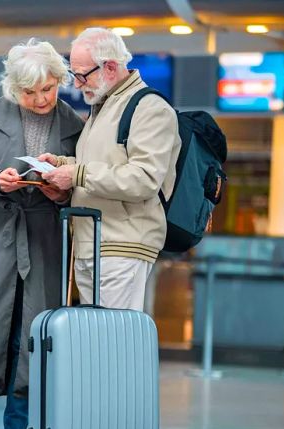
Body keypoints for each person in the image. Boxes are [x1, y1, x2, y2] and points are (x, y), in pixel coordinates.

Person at [0, 38, 83, 429]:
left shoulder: (72, 123)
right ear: (14, 89)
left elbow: (79, 189)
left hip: (44, 241)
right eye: (30, 93)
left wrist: (57, 190)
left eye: (48, 89)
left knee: (32, 341)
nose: (41, 99)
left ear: (59, 81)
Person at [41, 27, 180, 312]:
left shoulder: (149, 108)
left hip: (123, 246)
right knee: (99, 345)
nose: (77, 85)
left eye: (82, 75)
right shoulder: (103, 107)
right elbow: (104, 165)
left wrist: (76, 174)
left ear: (111, 67)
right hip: (91, 244)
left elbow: (143, 179)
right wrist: (62, 167)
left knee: (115, 345)